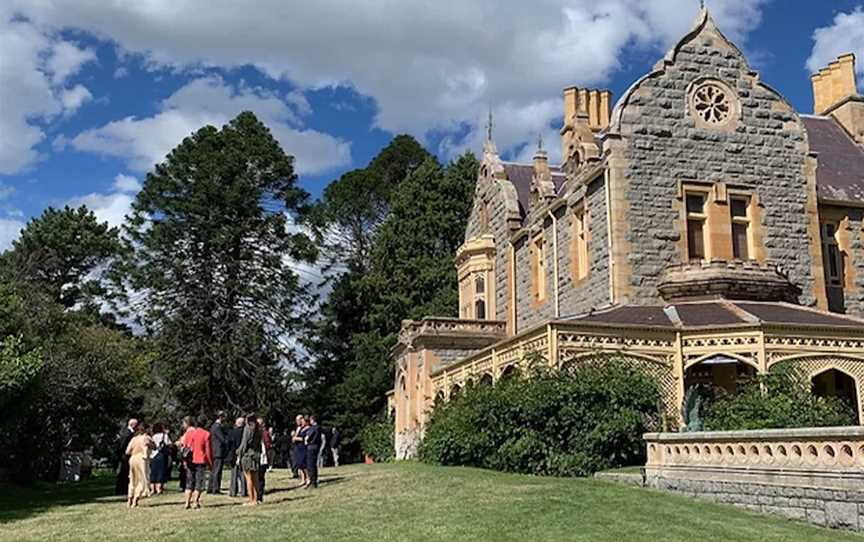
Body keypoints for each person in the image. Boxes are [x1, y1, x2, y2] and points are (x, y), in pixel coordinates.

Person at [179, 415, 212, 509]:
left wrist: (184, 460)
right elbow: (208, 450)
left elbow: (184, 447)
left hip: (190, 460)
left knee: (189, 482)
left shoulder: (190, 433)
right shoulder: (206, 434)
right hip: (200, 460)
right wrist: (210, 463)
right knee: (199, 482)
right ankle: (195, 502)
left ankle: (187, 502)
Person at [125, 423, 154, 508]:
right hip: (142, 458)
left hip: (133, 458)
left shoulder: (133, 439)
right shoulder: (146, 438)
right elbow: (154, 446)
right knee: (142, 479)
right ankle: (135, 500)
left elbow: (127, 451)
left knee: (132, 479)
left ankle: (129, 499)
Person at [237, 414, 262, 506]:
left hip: (248, 455)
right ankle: (256, 498)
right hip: (256, 454)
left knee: (248, 478)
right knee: (255, 478)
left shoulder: (248, 429)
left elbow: (244, 443)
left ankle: (251, 499)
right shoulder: (259, 430)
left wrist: (238, 452)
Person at [115, 418, 138, 495]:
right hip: (125, 456)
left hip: (125, 456)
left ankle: (123, 489)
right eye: (136, 424)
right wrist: (123, 454)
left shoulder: (128, 432)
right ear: (132, 425)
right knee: (124, 473)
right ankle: (122, 490)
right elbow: (122, 445)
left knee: (125, 473)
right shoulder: (127, 433)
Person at [207, 411, 227, 494]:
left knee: (214, 470)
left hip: (215, 450)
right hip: (218, 451)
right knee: (217, 471)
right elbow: (222, 439)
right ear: (220, 417)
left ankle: (211, 487)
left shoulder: (213, 426)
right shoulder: (217, 427)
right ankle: (215, 488)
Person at [227, 416, 247, 497]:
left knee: (234, 475)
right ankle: (244, 491)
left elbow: (229, 444)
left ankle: (233, 491)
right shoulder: (245, 432)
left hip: (233, 454)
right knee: (243, 474)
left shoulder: (232, 432)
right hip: (243, 454)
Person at [149, 422, 171, 495]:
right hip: (161, 455)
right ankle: (159, 488)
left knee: (153, 472)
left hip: (153, 455)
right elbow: (169, 444)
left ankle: (152, 488)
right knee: (161, 471)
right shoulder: (165, 436)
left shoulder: (153, 436)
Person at [305, 415, 322, 489]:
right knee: (313, 465)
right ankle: (314, 481)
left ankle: (312, 481)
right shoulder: (319, 428)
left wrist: (306, 439)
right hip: (316, 447)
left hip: (311, 447)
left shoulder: (314, 428)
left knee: (310, 465)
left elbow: (308, 436)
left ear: (312, 420)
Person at [291, 415, 308, 486]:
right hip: (297, 448)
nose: (297, 422)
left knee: (304, 464)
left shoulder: (306, 428)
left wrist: (296, 438)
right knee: (299, 464)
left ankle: (308, 478)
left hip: (303, 448)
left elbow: (304, 438)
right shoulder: (298, 428)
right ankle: (303, 478)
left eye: (298, 420)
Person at [257, 416, 270, 502]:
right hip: (256, 458)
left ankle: (259, 495)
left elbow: (268, 444)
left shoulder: (265, 433)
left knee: (260, 477)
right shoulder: (254, 433)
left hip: (263, 458)